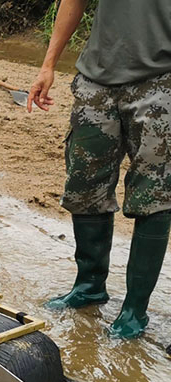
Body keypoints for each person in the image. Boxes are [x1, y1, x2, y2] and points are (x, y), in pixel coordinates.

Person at [28, 0, 171, 339]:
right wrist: (48, 64)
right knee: (84, 185)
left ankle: (135, 309)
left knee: (154, 195)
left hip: (161, 83)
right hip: (96, 80)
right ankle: (89, 286)